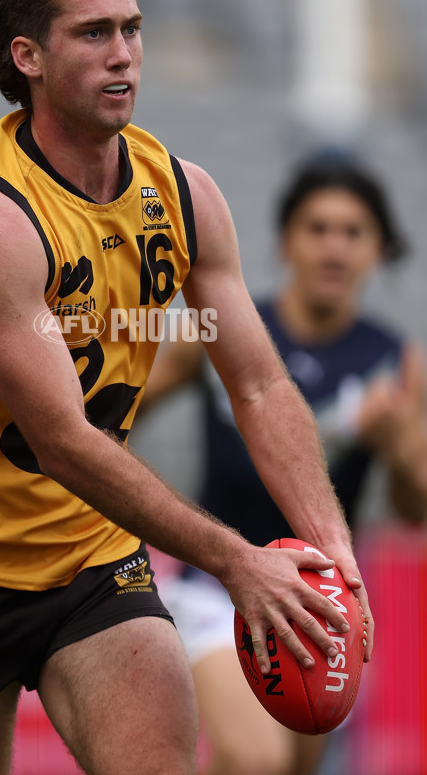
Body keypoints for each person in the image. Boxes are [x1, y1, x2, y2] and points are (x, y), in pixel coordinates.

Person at [0, 0, 371, 775]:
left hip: (94, 558)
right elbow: (65, 442)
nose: (124, 56)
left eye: (132, 30)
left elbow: (254, 383)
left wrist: (337, 557)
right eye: (94, 34)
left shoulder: (182, 193)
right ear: (27, 56)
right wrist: (232, 561)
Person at [140, 150, 427, 775]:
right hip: (215, 587)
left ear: (377, 249)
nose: (334, 248)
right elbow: (116, 416)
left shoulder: (395, 363)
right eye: (317, 228)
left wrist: (402, 443)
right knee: (255, 757)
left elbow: (414, 511)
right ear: (284, 242)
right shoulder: (226, 330)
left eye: (353, 233)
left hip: (321, 604)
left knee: (294, 764)